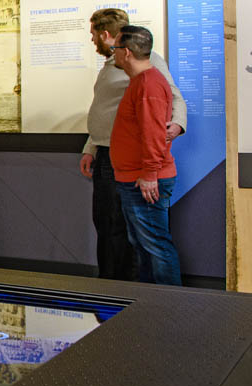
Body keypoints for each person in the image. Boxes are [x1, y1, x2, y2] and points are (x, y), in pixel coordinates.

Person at [78, 8, 186, 281]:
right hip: (107, 154)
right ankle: (117, 290)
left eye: (93, 35)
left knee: (134, 233)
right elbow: (106, 111)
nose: (92, 41)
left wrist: (175, 125)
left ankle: (135, 293)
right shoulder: (112, 64)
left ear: (106, 35)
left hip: (135, 162)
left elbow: (172, 99)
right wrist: (91, 147)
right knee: (109, 225)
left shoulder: (145, 65)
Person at [109, 25, 182, 285]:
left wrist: (150, 173)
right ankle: (151, 305)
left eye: (114, 49)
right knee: (144, 246)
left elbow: (153, 134)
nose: (112, 54)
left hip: (145, 181)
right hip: (136, 179)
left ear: (126, 52)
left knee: (156, 247)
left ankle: (168, 307)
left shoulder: (149, 84)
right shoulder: (141, 82)